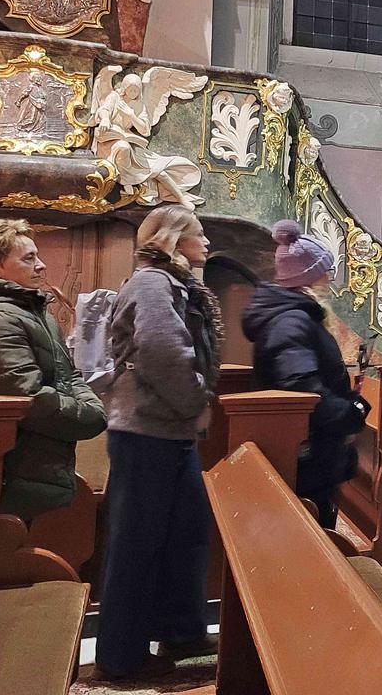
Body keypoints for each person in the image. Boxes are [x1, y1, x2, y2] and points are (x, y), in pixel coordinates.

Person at [95, 206, 222, 680]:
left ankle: (181, 631)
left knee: (184, 533)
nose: (206, 243)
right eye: (199, 234)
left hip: (167, 429)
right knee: (137, 543)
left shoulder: (171, 283)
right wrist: (196, 401)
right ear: (173, 239)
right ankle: (120, 657)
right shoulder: (152, 283)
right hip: (145, 431)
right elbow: (163, 351)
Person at [0, 219, 106, 522]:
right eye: (28, 258)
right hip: (11, 473)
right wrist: (90, 415)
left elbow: (67, 374)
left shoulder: (33, 313)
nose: (41, 265)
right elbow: (27, 399)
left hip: (36, 465)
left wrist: (91, 406)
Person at [243, 221, 366, 528]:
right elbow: (301, 388)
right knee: (312, 529)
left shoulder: (295, 318)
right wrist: (348, 414)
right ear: (310, 277)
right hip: (308, 454)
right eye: (325, 272)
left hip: (314, 449)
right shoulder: (291, 322)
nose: (329, 279)